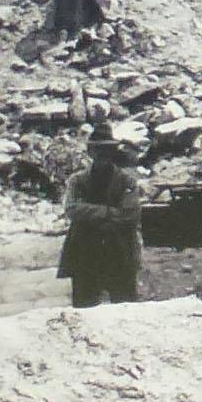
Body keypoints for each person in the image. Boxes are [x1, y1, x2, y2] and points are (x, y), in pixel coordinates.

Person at [57, 120, 142, 308]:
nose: (103, 155)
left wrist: (91, 216)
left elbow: (130, 214)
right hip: (85, 253)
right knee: (83, 311)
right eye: (98, 150)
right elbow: (72, 209)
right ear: (91, 152)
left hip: (119, 252)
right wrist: (108, 212)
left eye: (107, 150)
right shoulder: (77, 181)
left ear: (113, 152)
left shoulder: (127, 181)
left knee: (126, 310)